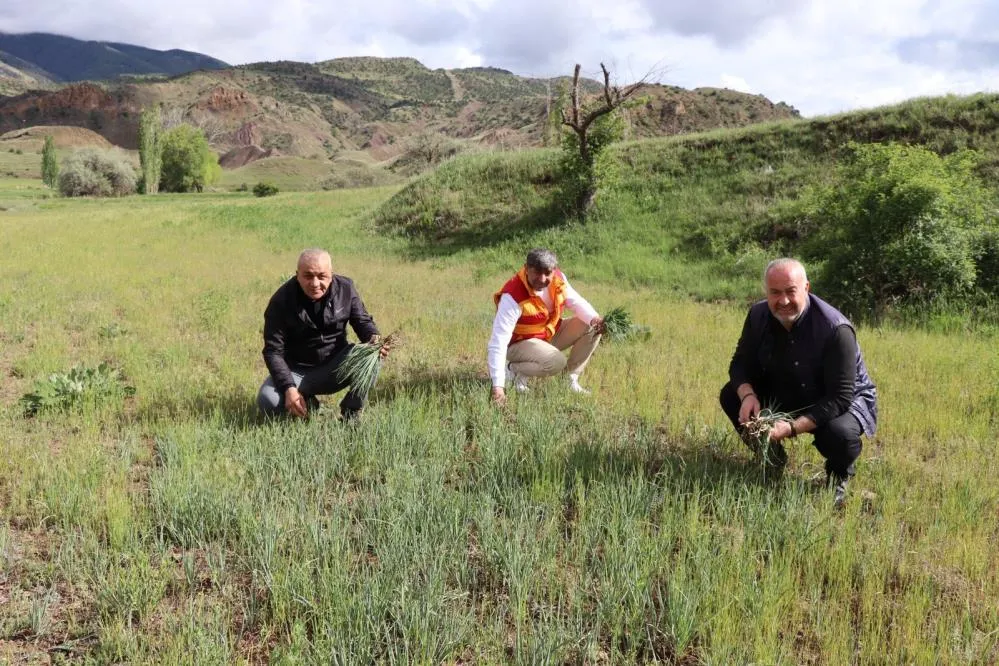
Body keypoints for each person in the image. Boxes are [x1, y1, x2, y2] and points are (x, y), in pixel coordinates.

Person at [719, 258, 877, 505]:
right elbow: (739, 364)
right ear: (766, 292)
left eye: (790, 291)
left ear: (806, 289)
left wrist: (791, 427)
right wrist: (748, 396)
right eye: (775, 293)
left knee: (840, 435)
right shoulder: (758, 315)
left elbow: (840, 397)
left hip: (836, 400)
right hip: (788, 387)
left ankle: (838, 477)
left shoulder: (836, 328)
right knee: (731, 394)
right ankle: (771, 458)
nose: (783, 301)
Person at [257, 249, 389, 420]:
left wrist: (374, 338)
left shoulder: (346, 288)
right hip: (297, 370)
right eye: (308, 276)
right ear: (297, 275)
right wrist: (289, 387)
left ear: (331, 275)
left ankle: (351, 412)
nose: (315, 283)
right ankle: (309, 405)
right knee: (268, 400)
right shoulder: (281, 301)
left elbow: (362, 322)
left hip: (337, 363)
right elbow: (273, 351)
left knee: (373, 355)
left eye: (321, 276)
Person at [488, 248, 607, 406]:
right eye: (536, 272)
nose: (542, 279)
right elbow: (498, 342)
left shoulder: (558, 279)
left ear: (554, 270)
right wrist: (498, 387)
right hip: (518, 344)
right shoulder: (513, 296)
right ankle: (513, 369)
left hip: (546, 335)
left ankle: (569, 380)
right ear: (526, 268)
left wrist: (595, 319)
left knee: (593, 326)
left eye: (547, 273)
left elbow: (576, 302)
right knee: (556, 362)